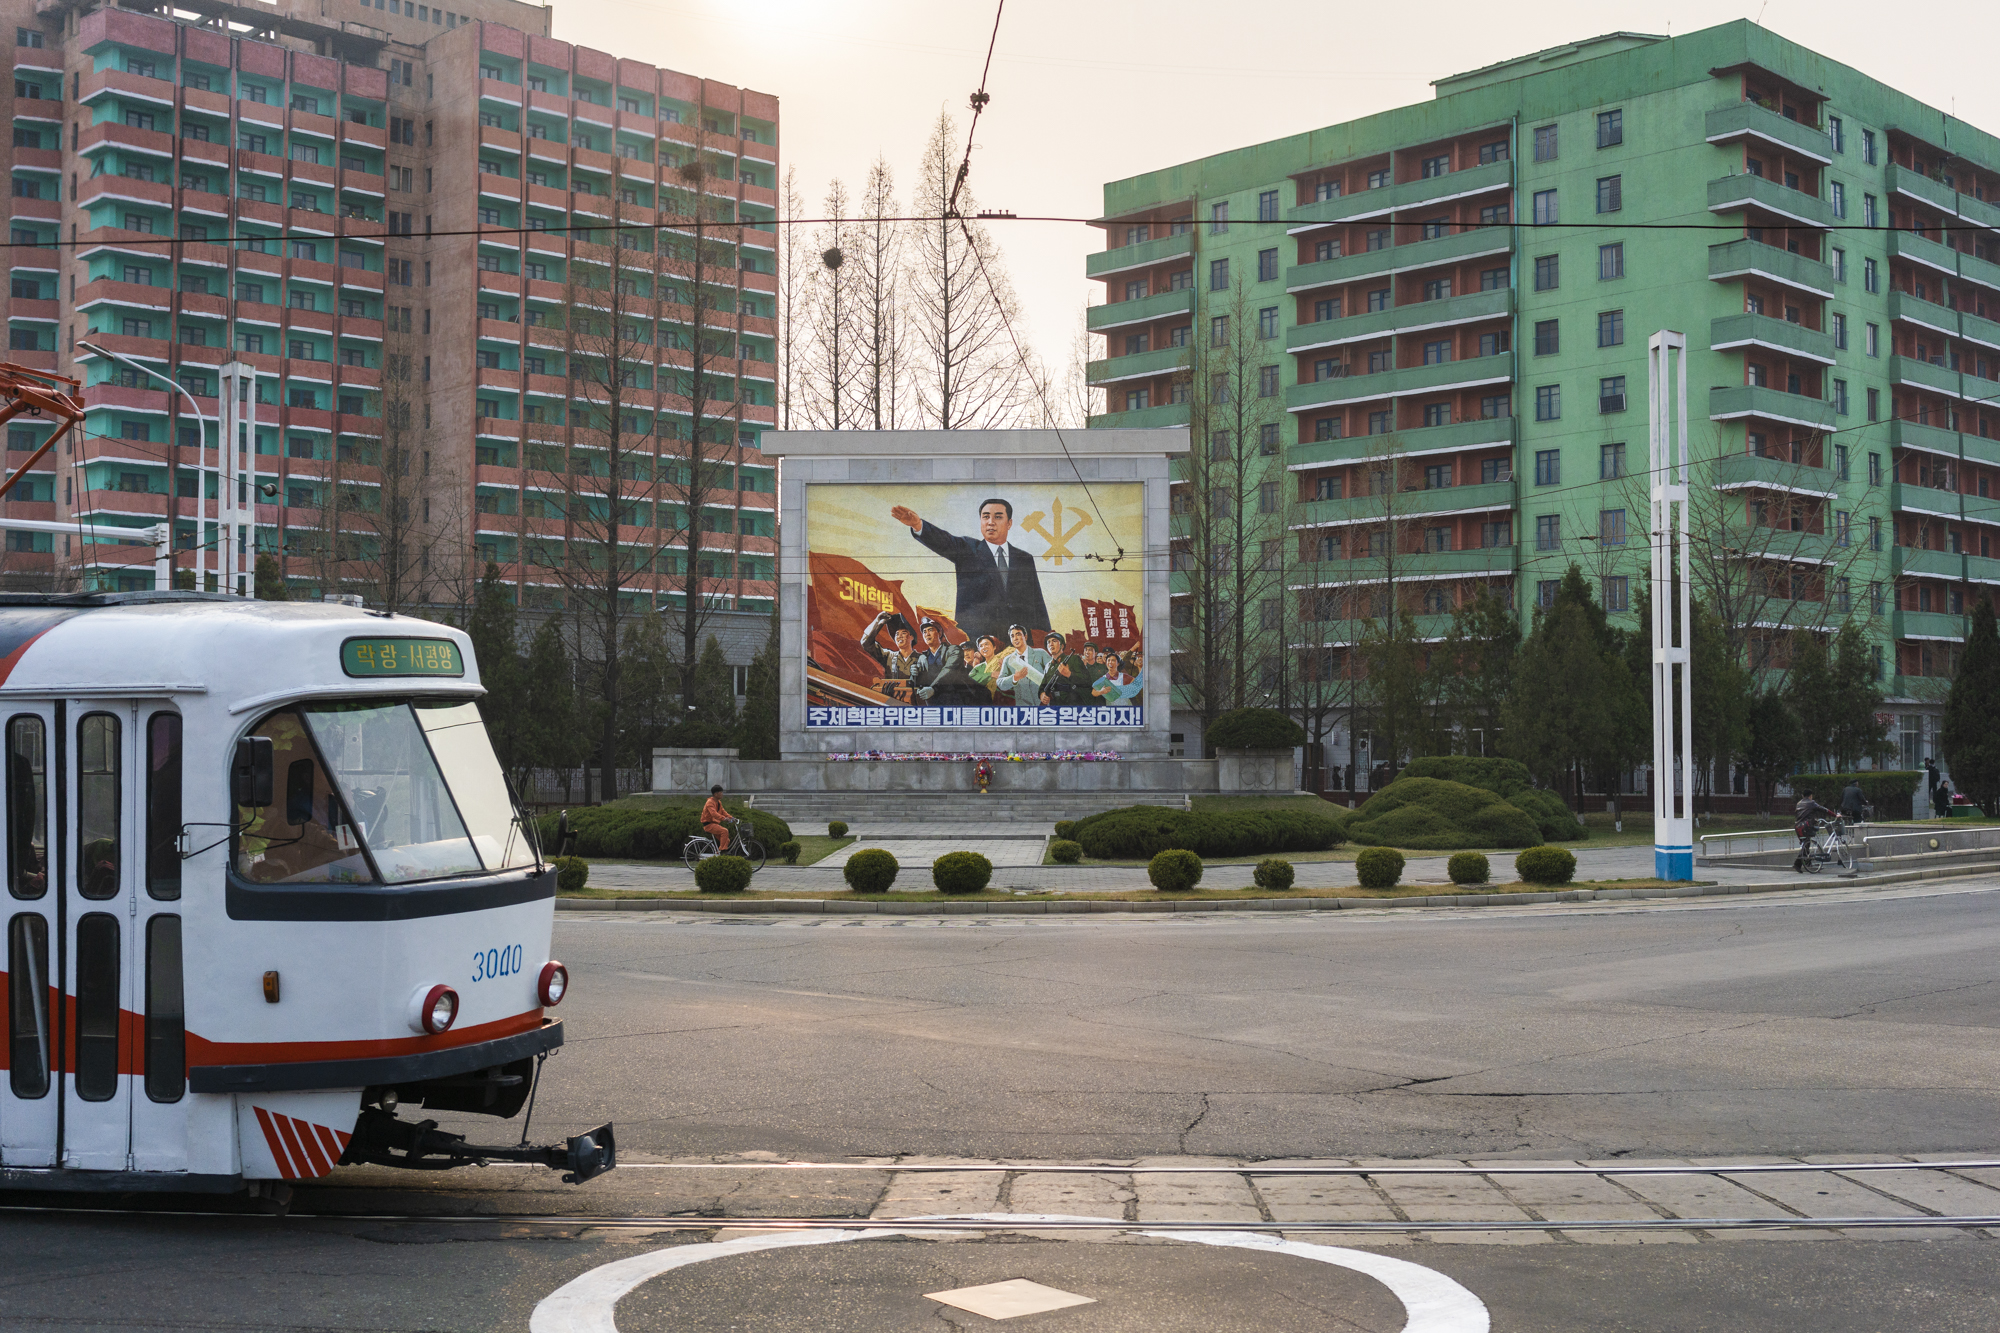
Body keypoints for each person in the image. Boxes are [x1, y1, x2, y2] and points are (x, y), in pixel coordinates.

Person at [888, 497, 1050, 645]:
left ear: (1009, 523)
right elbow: (944, 541)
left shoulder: (1024, 559)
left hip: (1019, 642)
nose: (991, 522)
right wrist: (918, 525)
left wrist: (1046, 637)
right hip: (978, 642)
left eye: (998, 517)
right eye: (986, 517)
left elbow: (1037, 602)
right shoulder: (967, 549)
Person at [858, 609, 923, 699]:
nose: (899, 636)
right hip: (891, 702)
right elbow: (865, 643)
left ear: (911, 636)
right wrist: (877, 622)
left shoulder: (922, 658)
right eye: (896, 634)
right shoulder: (889, 656)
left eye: (903, 633)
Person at [993, 624, 1051, 708]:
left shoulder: (1040, 653)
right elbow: (1000, 683)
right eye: (1012, 636)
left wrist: (1045, 691)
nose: (1015, 638)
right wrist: (1015, 678)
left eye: (1018, 634)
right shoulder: (1008, 660)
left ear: (1025, 637)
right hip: (1022, 707)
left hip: (1042, 704)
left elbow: (1054, 673)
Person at [1792, 788, 1832, 872]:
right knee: (1807, 844)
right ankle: (1798, 863)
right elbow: (1823, 809)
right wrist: (1835, 815)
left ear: (1803, 796)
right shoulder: (1812, 803)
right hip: (1806, 826)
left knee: (1805, 845)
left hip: (1797, 826)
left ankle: (1806, 863)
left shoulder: (1798, 803)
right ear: (1810, 796)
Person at [700, 783, 731, 853]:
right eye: (721, 792)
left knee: (727, 840)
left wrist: (731, 818)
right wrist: (723, 818)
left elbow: (723, 812)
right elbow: (714, 814)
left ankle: (718, 853)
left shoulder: (718, 802)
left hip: (714, 824)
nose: (722, 794)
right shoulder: (710, 802)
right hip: (709, 825)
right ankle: (722, 851)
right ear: (716, 794)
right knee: (724, 831)